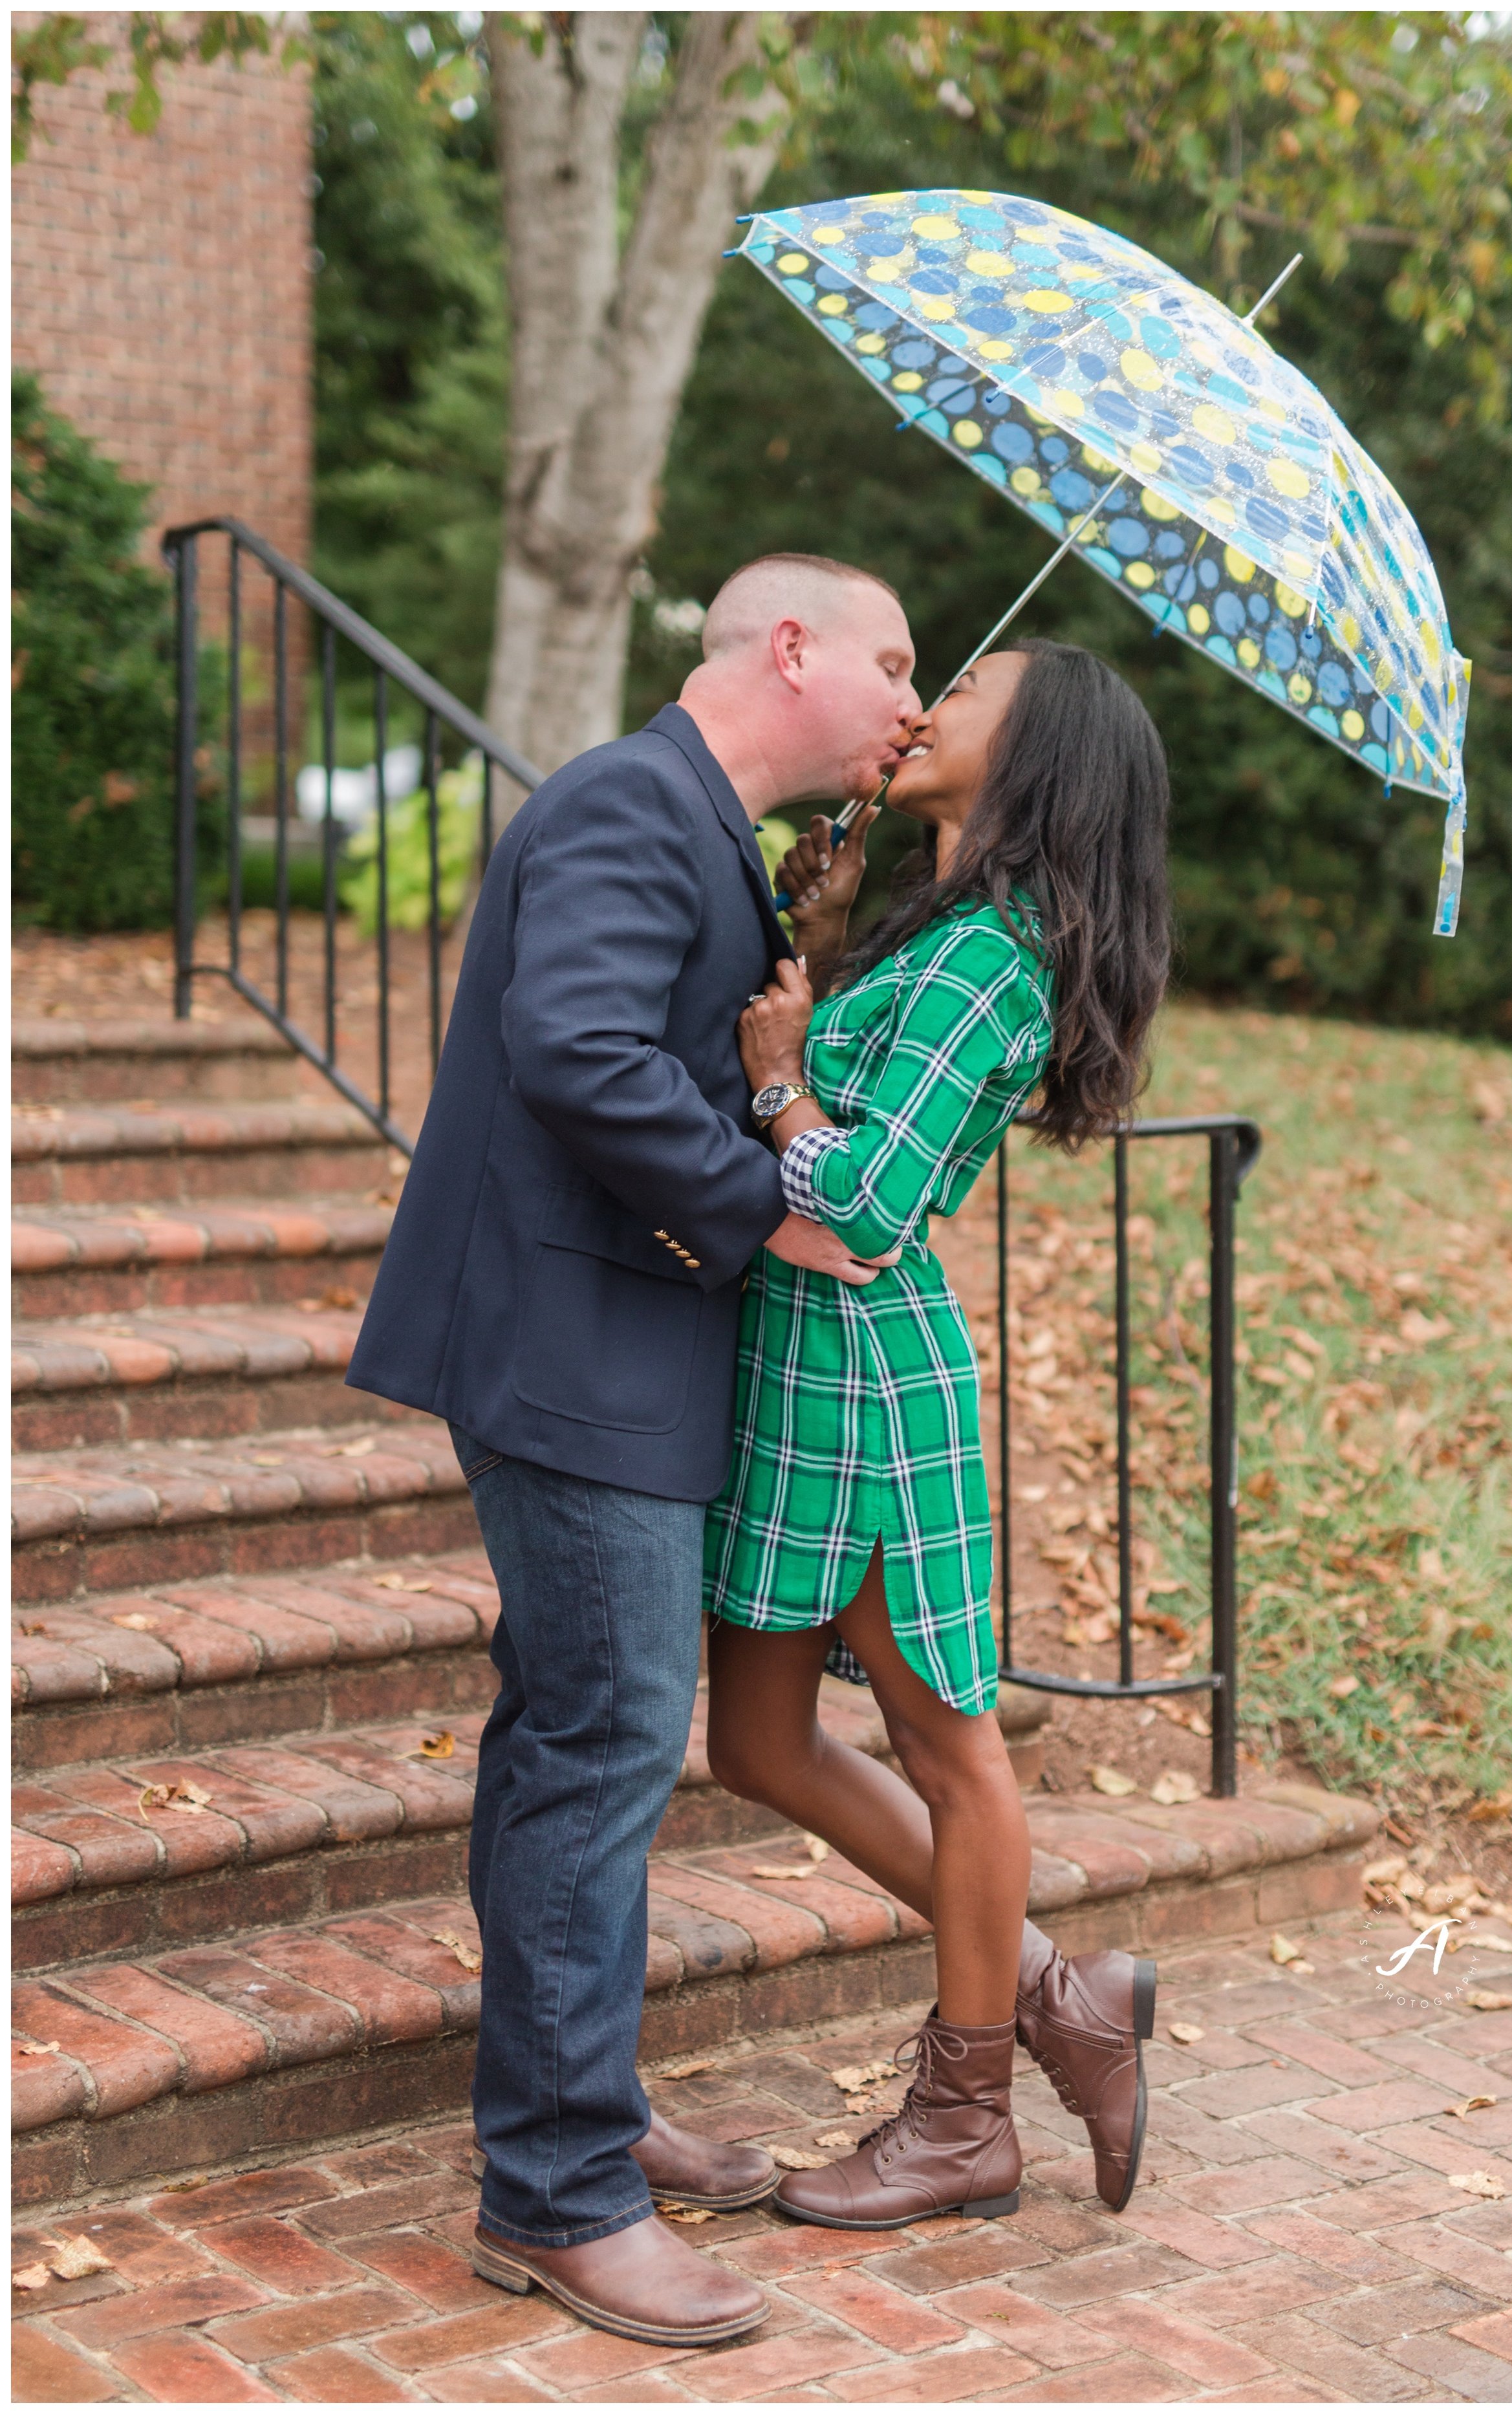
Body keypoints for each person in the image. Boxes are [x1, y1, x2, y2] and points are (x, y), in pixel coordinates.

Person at [346, 555, 920, 2344]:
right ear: (790, 645)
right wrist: (764, 1201)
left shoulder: (710, 830)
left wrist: (788, 964)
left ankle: (578, 2101)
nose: (915, 700)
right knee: (598, 1743)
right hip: (566, 1346)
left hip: (617, 1343)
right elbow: (575, 1048)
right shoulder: (621, 798)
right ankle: (558, 2187)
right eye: (897, 660)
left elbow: (645, 1036)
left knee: (573, 1737)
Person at [704, 640, 1173, 2230]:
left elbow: (876, 1203)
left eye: (959, 690)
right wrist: (812, 947)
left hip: (869, 1381)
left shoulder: (992, 960)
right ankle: (1060, 1995)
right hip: (795, 1365)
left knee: (950, 1750)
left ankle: (965, 2110)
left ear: (1033, 749)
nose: (921, 706)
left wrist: (777, 1088)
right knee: (756, 1742)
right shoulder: (944, 933)